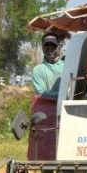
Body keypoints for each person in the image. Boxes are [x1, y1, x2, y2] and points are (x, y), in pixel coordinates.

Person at [27, 31, 64, 160]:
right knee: (45, 158)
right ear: (43, 48)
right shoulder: (38, 70)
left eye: (52, 46)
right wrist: (63, 94)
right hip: (47, 116)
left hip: (66, 113)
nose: (50, 50)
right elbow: (42, 92)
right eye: (46, 47)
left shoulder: (67, 66)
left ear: (59, 47)